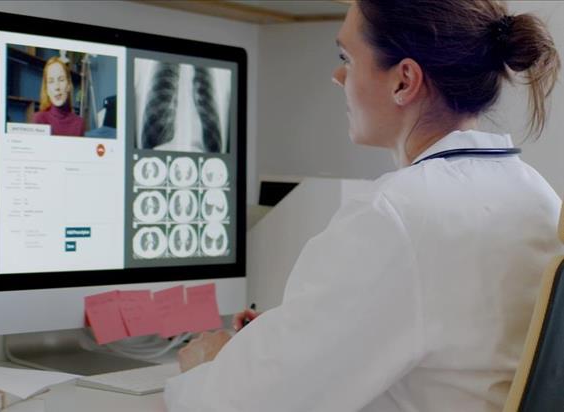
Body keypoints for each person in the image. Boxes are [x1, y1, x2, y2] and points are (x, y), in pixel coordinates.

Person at [164, 1, 562, 411]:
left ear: (404, 81)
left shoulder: (396, 215)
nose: (338, 76)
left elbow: (243, 403)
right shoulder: (535, 194)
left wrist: (208, 364)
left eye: (347, 58)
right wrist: (297, 339)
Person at [32, 56, 85, 137]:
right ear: (47, 89)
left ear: (68, 86)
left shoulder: (79, 123)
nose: (57, 87)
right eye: (51, 81)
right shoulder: (38, 119)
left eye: (61, 80)